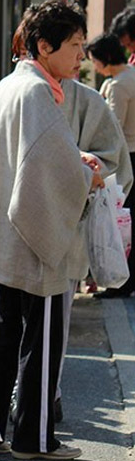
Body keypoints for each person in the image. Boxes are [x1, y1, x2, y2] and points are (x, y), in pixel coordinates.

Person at [0, 0, 96, 461]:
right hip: (33, 239)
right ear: (45, 46)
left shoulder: (9, 86)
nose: (80, 56)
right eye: (76, 46)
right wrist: (89, 174)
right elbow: (54, 169)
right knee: (39, 342)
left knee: (3, 337)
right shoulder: (37, 94)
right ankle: (33, 440)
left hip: (6, 232)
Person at [87, 32, 135, 298]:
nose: (92, 65)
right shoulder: (132, 74)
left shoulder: (117, 85)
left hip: (126, 158)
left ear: (104, 58)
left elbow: (111, 128)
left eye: (93, 60)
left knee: (119, 222)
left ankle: (120, 281)